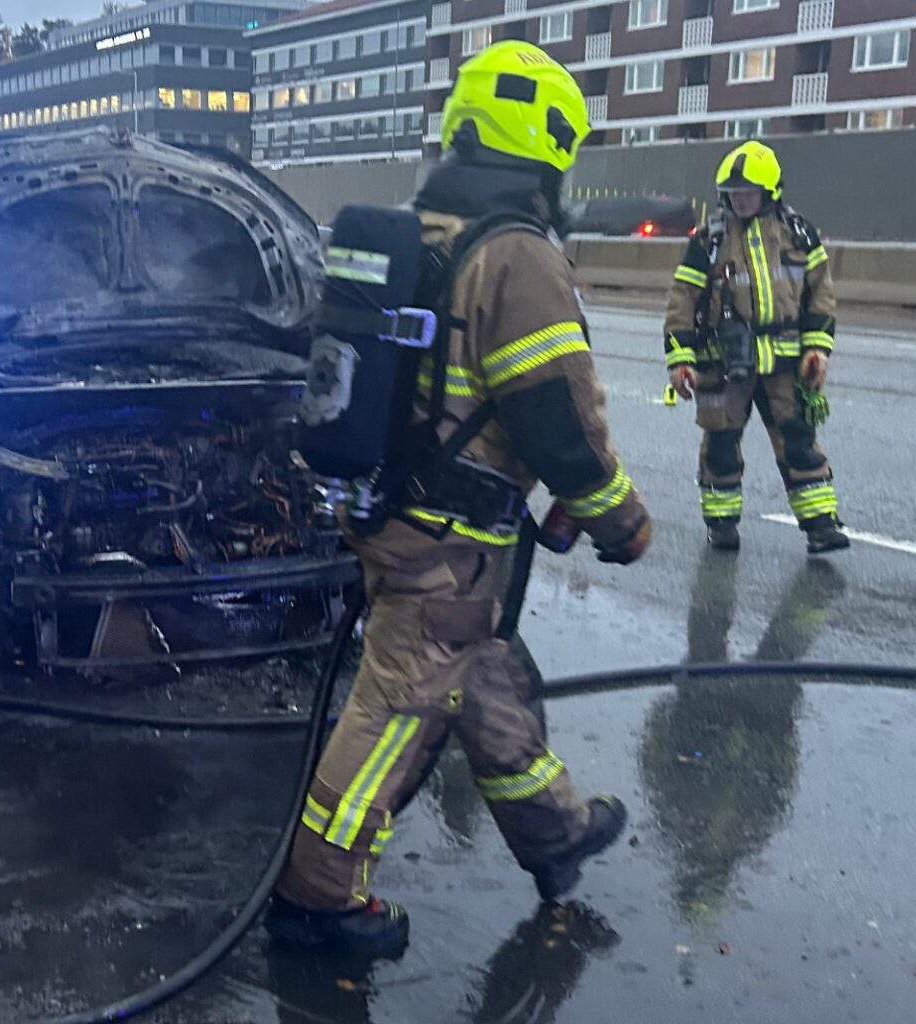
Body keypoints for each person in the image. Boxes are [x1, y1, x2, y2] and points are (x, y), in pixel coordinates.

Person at [265, 40, 651, 959]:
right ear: (544, 143)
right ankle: (317, 895)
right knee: (401, 703)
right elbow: (557, 415)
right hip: (448, 535)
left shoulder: (428, 229)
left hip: (396, 512)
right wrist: (621, 520)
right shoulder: (517, 254)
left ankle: (555, 832)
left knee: (479, 675)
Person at [662, 141, 849, 554]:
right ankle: (722, 525)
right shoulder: (709, 239)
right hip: (722, 364)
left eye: (749, 192)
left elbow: (821, 296)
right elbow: (682, 302)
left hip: (785, 364)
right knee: (722, 445)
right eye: (733, 193)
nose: (740, 199)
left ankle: (820, 525)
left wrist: (818, 350)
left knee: (798, 439)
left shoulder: (799, 234)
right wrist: (680, 361)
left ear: (769, 192)